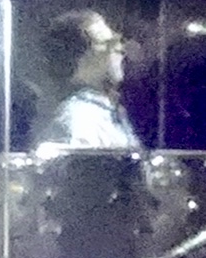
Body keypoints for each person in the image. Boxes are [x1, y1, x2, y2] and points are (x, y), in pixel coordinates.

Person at [42, 13, 142, 162]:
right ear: (79, 57)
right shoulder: (81, 119)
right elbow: (84, 174)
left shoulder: (109, 111)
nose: (120, 49)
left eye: (117, 41)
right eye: (106, 43)